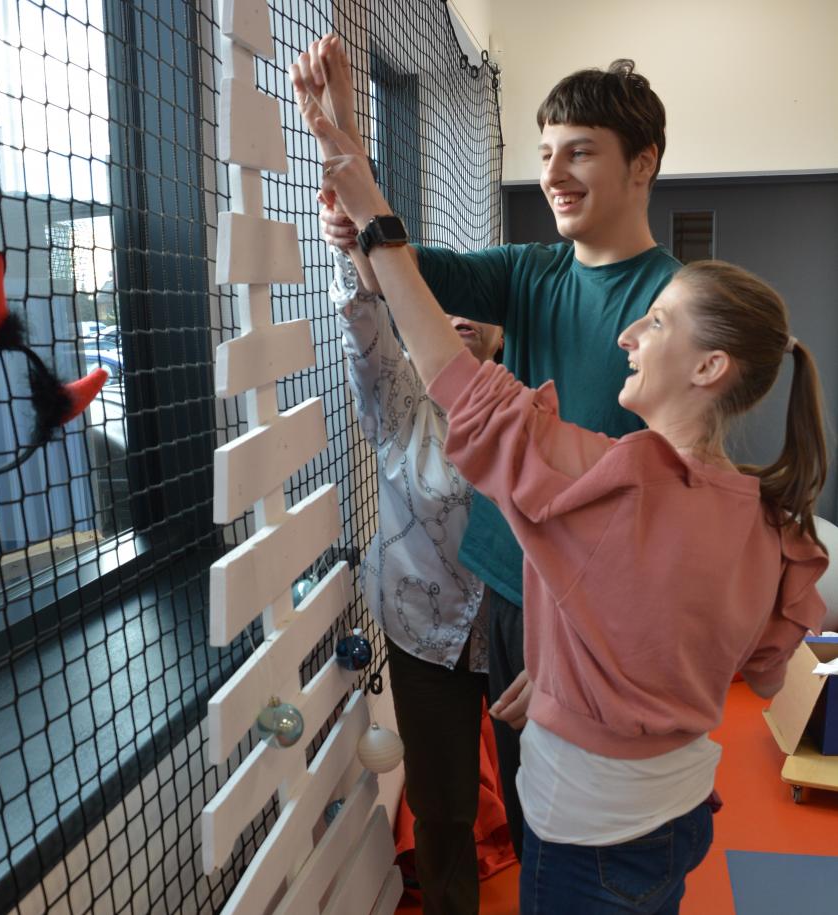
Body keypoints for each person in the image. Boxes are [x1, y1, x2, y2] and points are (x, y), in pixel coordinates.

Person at [307, 115, 830, 914]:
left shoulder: (613, 485)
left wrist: (364, 195)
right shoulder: (770, 516)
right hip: (681, 814)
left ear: (709, 367)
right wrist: (566, 676)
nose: (629, 335)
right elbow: (756, 664)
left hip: (588, 835)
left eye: (656, 322)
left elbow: (457, 382)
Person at [294, 36, 682, 857]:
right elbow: (403, 271)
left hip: (587, 612)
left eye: (580, 151)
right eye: (545, 153)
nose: (554, 173)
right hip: (508, 586)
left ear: (643, 163)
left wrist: (584, 648)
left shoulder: (676, 301)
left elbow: (666, 511)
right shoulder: (533, 271)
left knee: (567, 826)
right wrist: (348, 168)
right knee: (512, 802)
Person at [326, 198, 506, 911]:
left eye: (476, 305)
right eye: (440, 302)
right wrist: (356, 251)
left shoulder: (531, 404)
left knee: (538, 792)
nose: (459, 315)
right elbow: (365, 330)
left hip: (517, 634)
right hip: (423, 635)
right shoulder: (401, 401)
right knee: (442, 806)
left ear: (501, 327)